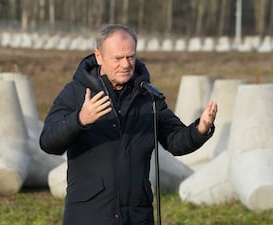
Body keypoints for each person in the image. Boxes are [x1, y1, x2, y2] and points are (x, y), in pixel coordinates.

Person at [39, 24, 217, 225]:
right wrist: (80, 120)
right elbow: (48, 142)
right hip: (89, 215)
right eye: (118, 58)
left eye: (130, 57)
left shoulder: (148, 97)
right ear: (99, 57)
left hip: (137, 215)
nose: (125, 64)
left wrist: (201, 129)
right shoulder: (76, 93)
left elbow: (176, 141)